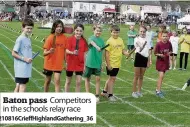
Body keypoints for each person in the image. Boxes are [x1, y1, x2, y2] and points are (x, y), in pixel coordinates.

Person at [101, 25, 129, 101]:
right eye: (114, 32)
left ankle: (104, 92)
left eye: (117, 32)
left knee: (111, 78)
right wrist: (108, 64)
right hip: (111, 63)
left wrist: (125, 53)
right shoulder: (109, 41)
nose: (115, 34)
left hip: (117, 63)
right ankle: (110, 95)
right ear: (111, 32)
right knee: (112, 79)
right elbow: (106, 53)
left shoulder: (120, 40)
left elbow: (122, 50)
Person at [43, 20, 67, 92]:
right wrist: (49, 51)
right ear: (54, 27)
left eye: (60, 26)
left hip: (58, 64)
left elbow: (65, 51)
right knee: (48, 81)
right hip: (49, 64)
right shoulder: (50, 38)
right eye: (57, 26)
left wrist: (66, 62)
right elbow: (44, 53)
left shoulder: (65, 38)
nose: (59, 28)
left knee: (57, 81)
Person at [83, 24, 105, 103]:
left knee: (98, 79)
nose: (98, 32)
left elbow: (102, 53)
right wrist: (96, 47)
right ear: (93, 31)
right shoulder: (91, 38)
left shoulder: (102, 41)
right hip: (89, 62)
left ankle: (97, 96)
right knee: (87, 79)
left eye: (99, 31)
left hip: (97, 63)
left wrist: (102, 63)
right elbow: (92, 43)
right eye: (97, 31)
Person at [12, 18, 34, 92]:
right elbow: (13, 53)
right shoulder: (20, 39)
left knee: (18, 86)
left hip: (26, 67)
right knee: (22, 88)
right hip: (21, 68)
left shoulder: (28, 39)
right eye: (27, 28)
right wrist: (25, 59)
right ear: (23, 28)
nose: (29, 30)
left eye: (31, 28)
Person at [65, 24, 88, 92]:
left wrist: (84, 65)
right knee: (68, 81)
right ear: (74, 30)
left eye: (80, 31)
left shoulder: (84, 41)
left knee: (78, 82)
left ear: (82, 32)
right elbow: (66, 50)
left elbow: (84, 54)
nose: (78, 32)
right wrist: (72, 52)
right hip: (70, 63)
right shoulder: (69, 39)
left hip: (79, 64)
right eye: (77, 30)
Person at [132, 26, 151, 98]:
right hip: (138, 57)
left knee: (141, 76)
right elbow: (140, 46)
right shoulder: (136, 39)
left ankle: (139, 91)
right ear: (139, 32)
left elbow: (149, 51)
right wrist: (143, 44)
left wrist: (149, 61)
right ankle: (134, 92)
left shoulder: (148, 40)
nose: (142, 33)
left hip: (145, 58)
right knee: (136, 76)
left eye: (144, 31)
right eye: (141, 31)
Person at [154, 31, 172, 98]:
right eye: (163, 36)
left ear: (168, 37)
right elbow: (155, 53)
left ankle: (158, 89)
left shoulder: (169, 43)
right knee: (161, 76)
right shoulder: (158, 44)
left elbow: (170, 51)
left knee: (162, 76)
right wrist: (160, 55)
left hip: (166, 62)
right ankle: (158, 91)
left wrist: (169, 54)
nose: (165, 37)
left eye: (166, 36)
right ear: (161, 37)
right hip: (160, 62)